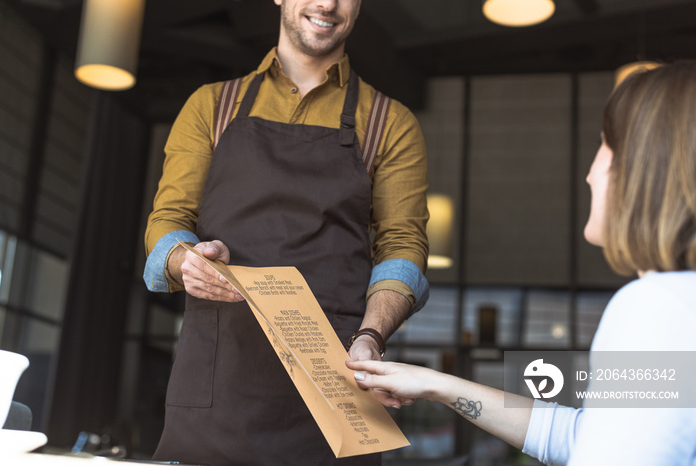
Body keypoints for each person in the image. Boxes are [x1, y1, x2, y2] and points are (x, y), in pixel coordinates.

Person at [347, 61, 696, 465]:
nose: (589, 173)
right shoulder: (678, 303)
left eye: (605, 146)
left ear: (643, 169)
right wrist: (433, 384)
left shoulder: (656, 308)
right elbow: (579, 436)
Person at [143, 0, 429, 464]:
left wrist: (371, 337)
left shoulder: (389, 122)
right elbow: (168, 220)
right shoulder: (212, 105)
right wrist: (184, 259)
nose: (327, 4)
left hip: (336, 387)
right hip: (219, 379)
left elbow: (403, 245)